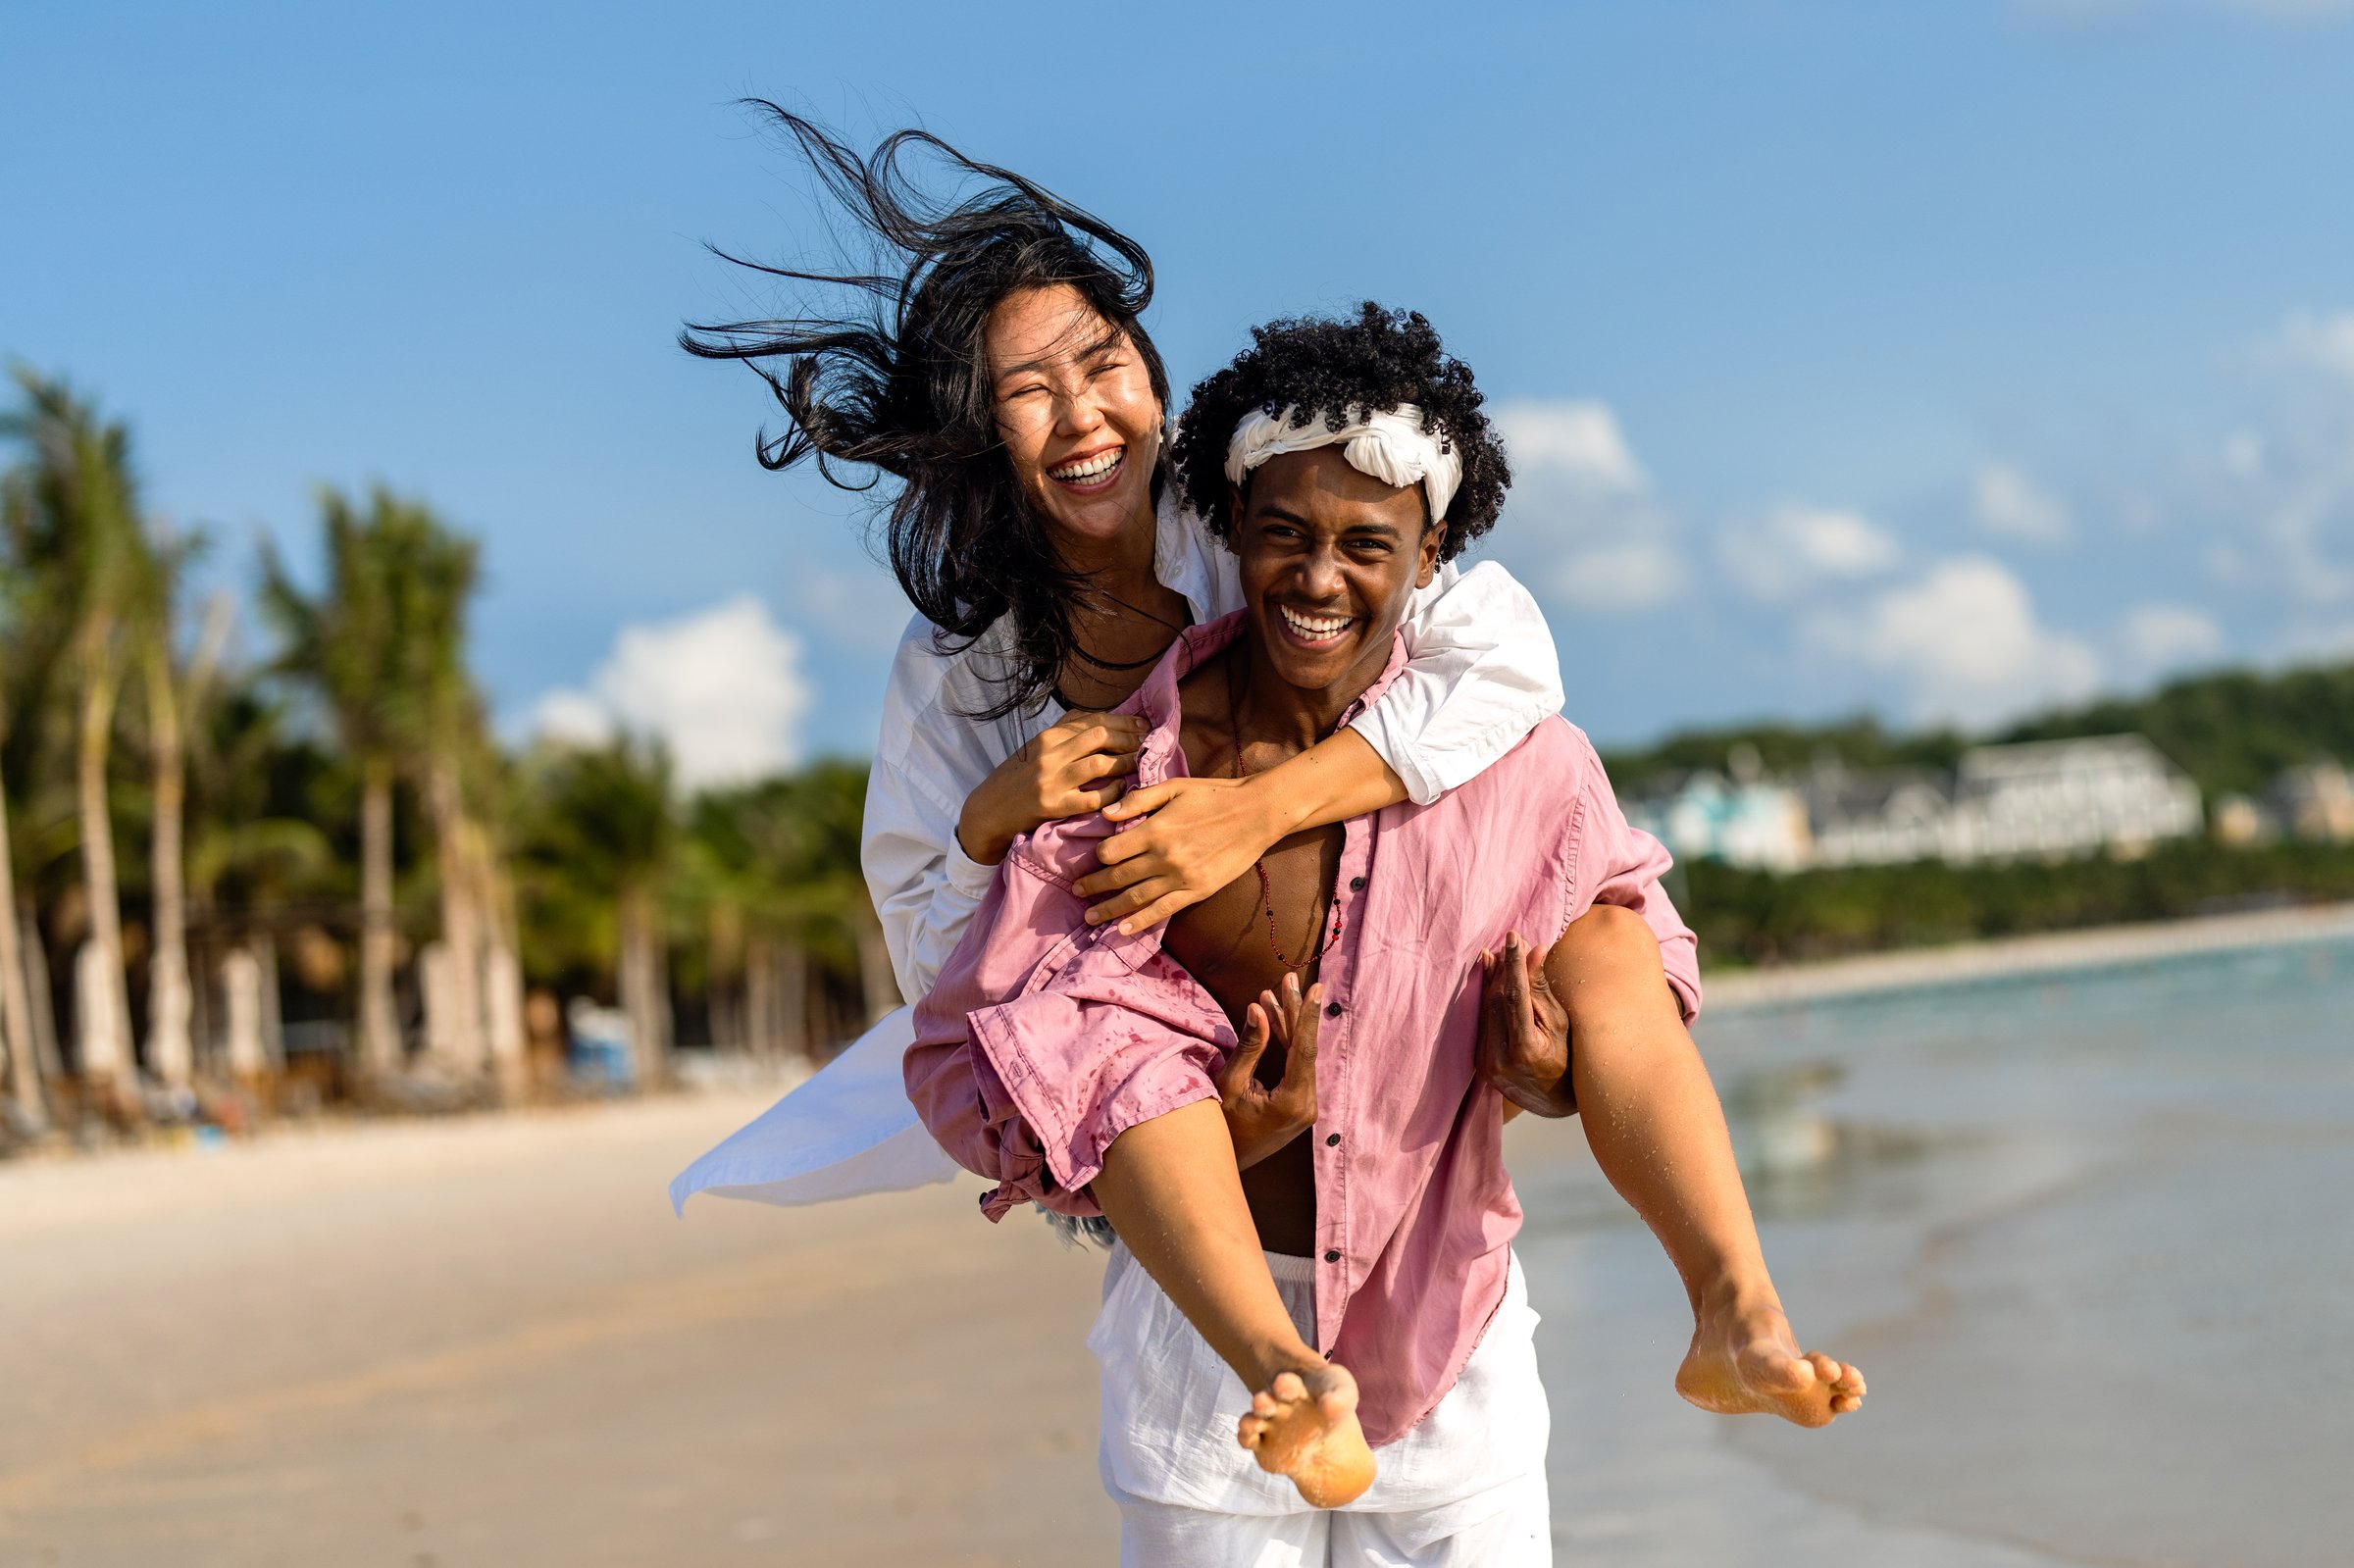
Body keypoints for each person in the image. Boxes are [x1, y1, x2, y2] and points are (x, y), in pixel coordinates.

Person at [906, 305, 1865, 1565]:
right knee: (1105, 1044)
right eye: (1285, 538)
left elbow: (1641, 983)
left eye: (1367, 546)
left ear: (1432, 560)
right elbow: (987, 1049)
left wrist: (1555, 1069)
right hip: (1214, 1365)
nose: (1319, 578)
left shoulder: (1516, 756)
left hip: (1448, 1318)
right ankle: (1290, 1374)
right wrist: (1216, 1126)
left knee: (1613, 942)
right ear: (1230, 536)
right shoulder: (1130, 770)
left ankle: (1735, 1306)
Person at [669, 111, 1567, 1215]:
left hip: (1395, 1070)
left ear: (1150, 376)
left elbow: (1508, 655)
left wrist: (1259, 810)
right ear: (978, 432)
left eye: (1104, 364)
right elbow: (934, 965)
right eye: (1028, 392)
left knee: (1570, 793)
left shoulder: (1256, 523)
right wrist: (984, 827)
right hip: (1156, 1110)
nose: (1084, 417)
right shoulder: (957, 662)